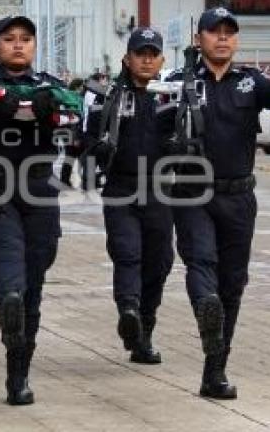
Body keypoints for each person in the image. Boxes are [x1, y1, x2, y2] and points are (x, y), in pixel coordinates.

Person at [166, 7, 270, 399]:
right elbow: (153, 122)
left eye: (230, 32)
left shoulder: (250, 82)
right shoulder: (178, 83)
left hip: (239, 198)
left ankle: (215, 372)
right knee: (201, 262)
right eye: (215, 32)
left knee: (233, 284)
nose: (223, 38)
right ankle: (205, 307)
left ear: (236, 40)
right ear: (200, 39)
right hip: (193, 193)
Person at [0, 15, 81, 405]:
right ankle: (7, 301)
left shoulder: (46, 82)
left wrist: (52, 102)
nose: (17, 45)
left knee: (35, 277)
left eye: (25, 39)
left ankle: (19, 374)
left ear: (34, 45)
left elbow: (76, 104)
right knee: (9, 251)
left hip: (38, 189)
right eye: (9, 39)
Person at [84, 27, 175, 364]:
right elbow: (86, 145)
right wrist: (99, 150)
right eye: (141, 53)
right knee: (127, 253)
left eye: (153, 54)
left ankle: (143, 331)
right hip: (121, 188)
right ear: (128, 58)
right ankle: (129, 311)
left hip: (160, 191)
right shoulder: (106, 97)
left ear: (163, 59)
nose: (147, 59)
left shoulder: (172, 96)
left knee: (161, 262)